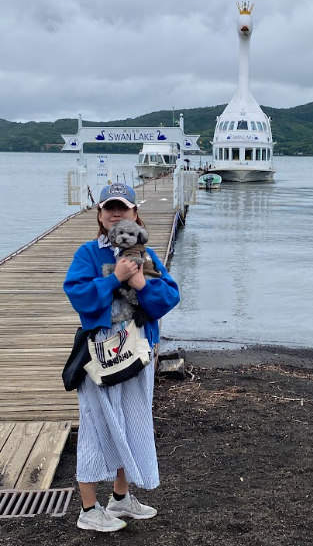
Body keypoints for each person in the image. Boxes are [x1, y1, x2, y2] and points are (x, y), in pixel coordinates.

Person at [63, 182, 180, 533]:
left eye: (123, 208)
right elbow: (79, 297)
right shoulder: (88, 252)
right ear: (100, 215)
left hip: (137, 352)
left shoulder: (146, 253)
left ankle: (120, 497)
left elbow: (169, 297)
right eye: (109, 207)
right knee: (97, 425)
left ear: (134, 214)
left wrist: (142, 284)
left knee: (131, 422)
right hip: (100, 353)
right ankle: (88, 508)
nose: (116, 213)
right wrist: (114, 278)